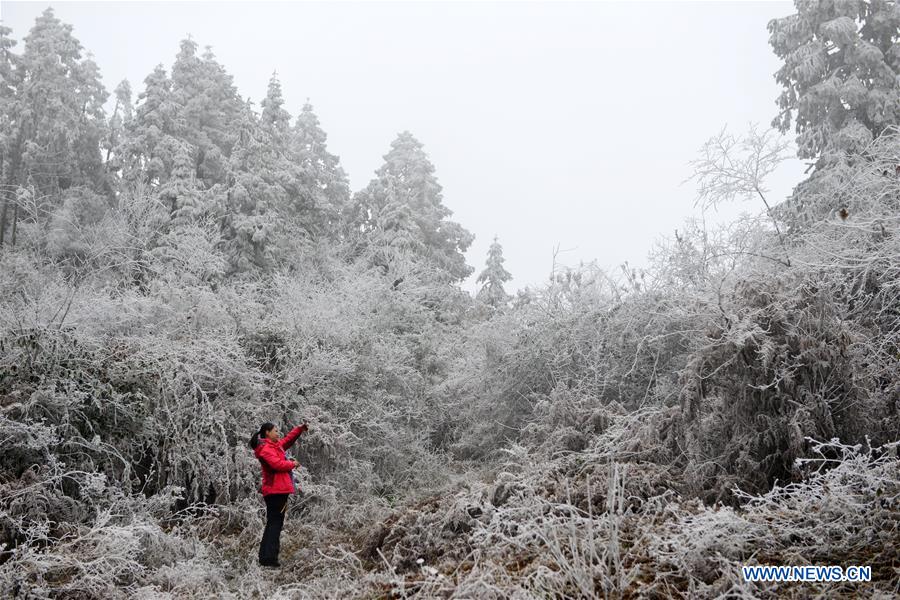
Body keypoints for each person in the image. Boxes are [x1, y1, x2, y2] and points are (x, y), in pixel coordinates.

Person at [248, 421, 308, 568]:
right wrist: (292, 464)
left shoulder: (274, 446)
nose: (278, 432)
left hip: (278, 491)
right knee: (275, 524)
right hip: (275, 492)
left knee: (273, 523)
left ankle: (266, 558)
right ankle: (269, 559)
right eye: (275, 430)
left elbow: (287, 440)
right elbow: (277, 465)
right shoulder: (266, 449)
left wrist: (299, 429)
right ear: (267, 432)